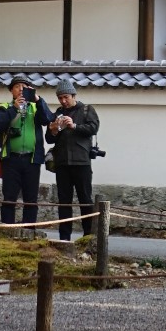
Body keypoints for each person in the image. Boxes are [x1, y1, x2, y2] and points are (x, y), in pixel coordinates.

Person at [0, 77, 54, 229]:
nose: (21, 89)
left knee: (31, 198)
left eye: (25, 87)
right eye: (17, 87)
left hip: (32, 159)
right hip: (11, 159)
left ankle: (29, 231)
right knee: (9, 197)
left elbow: (48, 118)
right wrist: (14, 108)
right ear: (11, 91)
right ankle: (7, 230)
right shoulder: (5, 107)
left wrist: (38, 100)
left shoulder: (35, 107)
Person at [46, 83, 100, 241]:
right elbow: (49, 139)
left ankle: (88, 237)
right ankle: (64, 238)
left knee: (85, 200)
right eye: (60, 98)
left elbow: (93, 128)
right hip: (62, 163)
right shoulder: (57, 113)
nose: (63, 101)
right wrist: (54, 129)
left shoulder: (86, 110)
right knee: (64, 202)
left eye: (66, 97)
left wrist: (74, 125)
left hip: (81, 162)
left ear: (73, 96)